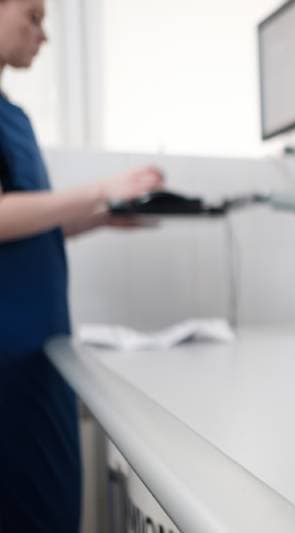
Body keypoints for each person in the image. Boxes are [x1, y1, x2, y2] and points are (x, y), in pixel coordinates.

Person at [0, 0, 163, 530]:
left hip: (44, 353)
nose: (43, 35)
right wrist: (98, 190)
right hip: (6, 364)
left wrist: (102, 217)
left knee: (54, 509)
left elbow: (27, 225)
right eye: (33, 17)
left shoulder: (15, 118)